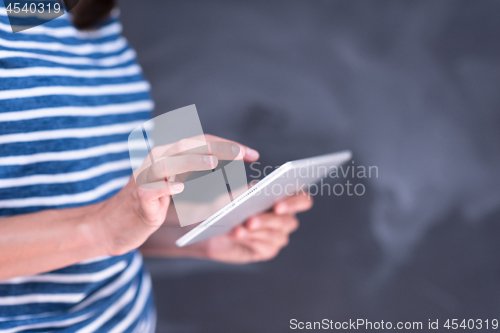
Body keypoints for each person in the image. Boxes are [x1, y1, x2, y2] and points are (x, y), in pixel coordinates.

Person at [0, 0, 313, 331]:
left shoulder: (80, 16)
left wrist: (201, 230)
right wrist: (100, 226)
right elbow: (102, 224)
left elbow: (108, 213)